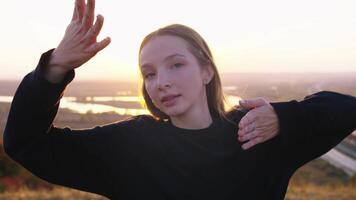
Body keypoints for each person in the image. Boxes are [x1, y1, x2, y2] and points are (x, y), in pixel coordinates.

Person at [3, 0, 356, 199]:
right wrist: (56, 67)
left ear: (207, 71)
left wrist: (283, 117)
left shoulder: (255, 134)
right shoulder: (131, 146)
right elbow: (26, 144)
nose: (162, 82)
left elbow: (346, 109)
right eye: (150, 73)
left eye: (176, 65)